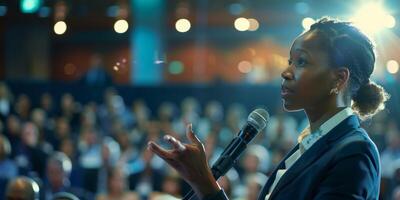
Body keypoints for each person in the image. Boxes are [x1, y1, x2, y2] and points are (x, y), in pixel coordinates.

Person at [147, 17, 389, 200]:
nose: (286, 72)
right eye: (290, 62)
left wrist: (206, 183)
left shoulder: (354, 151)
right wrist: (202, 183)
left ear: (338, 79)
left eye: (302, 62)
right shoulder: (311, 144)